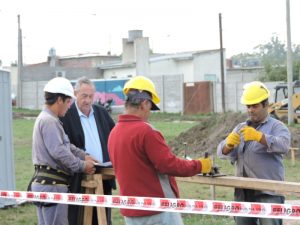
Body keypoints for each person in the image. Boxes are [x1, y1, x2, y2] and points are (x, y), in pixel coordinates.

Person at [108, 75, 213, 225]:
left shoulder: (114, 132)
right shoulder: (146, 131)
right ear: (144, 103)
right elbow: (168, 165)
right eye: (150, 107)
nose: (149, 113)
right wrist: (200, 165)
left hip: (131, 211)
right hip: (157, 210)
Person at [217, 81, 291, 225]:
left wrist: (260, 137)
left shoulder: (277, 126)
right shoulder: (240, 127)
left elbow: (283, 146)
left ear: (266, 105)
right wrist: (228, 145)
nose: (251, 110)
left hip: (269, 192)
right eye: (248, 106)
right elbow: (222, 153)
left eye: (255, 106)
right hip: (243, 192)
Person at [29, 77, 97, 225]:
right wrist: (82, 165)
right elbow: (59, 151)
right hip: (52, 185)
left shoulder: (49, 119)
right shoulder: (49, 121)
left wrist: (83, 156)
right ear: (59, 99)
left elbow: (67, 146)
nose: (69, 106)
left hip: (47, 184)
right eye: (68, 102)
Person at [60, 77, 115, 225]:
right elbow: (64, 147)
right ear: (75, 94)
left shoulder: (101, 112)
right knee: (79, 218)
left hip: (103, 174)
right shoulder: (67, 115)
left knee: (103, 218)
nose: (88, 100)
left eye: (91, 96)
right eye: (84, 96)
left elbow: (114, 136)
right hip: (78, 176)